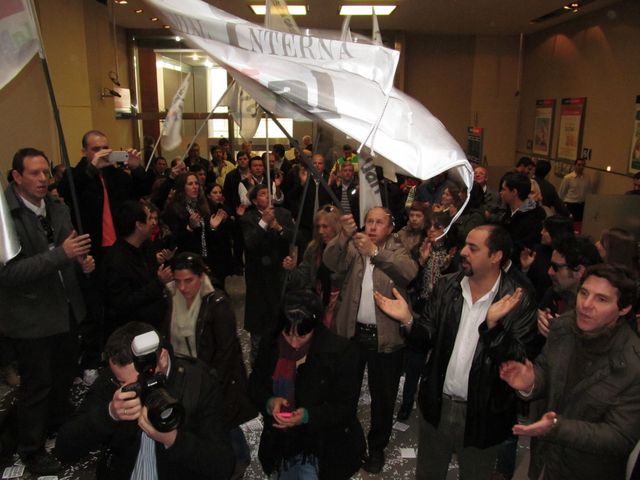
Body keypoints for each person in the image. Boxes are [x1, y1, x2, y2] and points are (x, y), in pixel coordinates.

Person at [373, 225, 538, 480]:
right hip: (437, 406)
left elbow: (517, 360)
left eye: (473, 248)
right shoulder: (447, 286)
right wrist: (408, 320)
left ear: (496, 256)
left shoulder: (517, 298)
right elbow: (425, 339)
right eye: (464, 245)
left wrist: (493, 327)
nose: (463, 252)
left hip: (483, 413)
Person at [0, 148, 95, 474]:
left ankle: (55, 424)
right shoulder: (6, 216)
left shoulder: (56, 207)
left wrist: (81, 262)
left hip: (65, 308)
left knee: (63, 375)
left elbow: (69, 251)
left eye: (46, 172)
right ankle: (31, 449)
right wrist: (61, 255)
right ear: (17, 177)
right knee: (37, 385)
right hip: (30, 318)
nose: (43, 179)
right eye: (34, 173)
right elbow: (9, 273)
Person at [500, 264, 640, 480]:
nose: (586, 305)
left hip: (588, 470)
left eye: (601, 299)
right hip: (544, 460)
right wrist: (530, 382)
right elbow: (546, 371)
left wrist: (557, 427)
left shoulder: (632, 364)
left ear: (624, 309)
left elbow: (619, 437)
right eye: (584, 293)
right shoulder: (564, 327)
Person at [55, 322, 235, 480]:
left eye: (137, 383)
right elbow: (65, 448)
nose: (130, 389)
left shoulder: (198, 382)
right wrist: (109, 414)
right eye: (123, 383)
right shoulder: (113, 380)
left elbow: (223, 466)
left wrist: (173, 440)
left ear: (162, 359)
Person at [323, 207, 418, 474]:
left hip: (385, 337)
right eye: (369, 221)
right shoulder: (355, 246)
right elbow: (331, 261)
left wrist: (375, 253)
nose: (373, 226)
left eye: (379, 222)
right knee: (345, 391)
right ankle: (346, 440)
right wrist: (343, 236)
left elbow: (409, 272)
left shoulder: (398, 249)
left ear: (390, 228)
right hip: (352, 333)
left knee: (383, 398)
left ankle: (377, 447)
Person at [248, 290, 365, 480]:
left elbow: (345, 407)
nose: (294, 343)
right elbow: (255, 385)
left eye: (302, 336)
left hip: (322, 446)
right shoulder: (271, 344)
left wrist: (307, 415)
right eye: (288, 334)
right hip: (282, 445)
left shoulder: (341, 352)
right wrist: (269, 402)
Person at [166, 253, 256, 478]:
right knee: (213, 424)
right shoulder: (171, 298)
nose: (183, 287)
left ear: (201, 276)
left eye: (188, 280)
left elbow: (227, 351)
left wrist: (212, 383)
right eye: (178, 281)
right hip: (186, 373)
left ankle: (238, 461)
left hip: (214, 377)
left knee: (222, 423)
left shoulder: (217, 303)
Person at [58, 130, 145, 260]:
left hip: (119, 243)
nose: (102, 153)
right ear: (84, 152)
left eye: (105, 148)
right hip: (90, 245)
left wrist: (136, 169)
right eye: (96, 149)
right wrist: (92, 168)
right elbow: (65, 190)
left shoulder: (118, 176)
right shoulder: (75, 174)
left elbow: (141, 192)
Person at [241, 184, 295, 362]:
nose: (268, 197)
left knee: (280, 321)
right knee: (259, 326)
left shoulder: (284, 214)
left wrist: (278, 227)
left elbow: (294, 237)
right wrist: (264, 222)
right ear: (255, 200)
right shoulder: (248, 218)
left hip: (279, 275)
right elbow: (250, 243)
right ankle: (258, 362)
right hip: (259, 278)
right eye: (262, 194)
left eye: (268, 193)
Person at [102, 201, 172, 337]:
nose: (154, 223)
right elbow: (123, 304)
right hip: (134, 332)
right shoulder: (117, 260)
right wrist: (158, 283)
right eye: (149, 218)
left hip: (156, 323)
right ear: (139, 225)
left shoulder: (146, 246)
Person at [282, 205, 343, 328]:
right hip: (319, 307)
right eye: (318, 227)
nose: (320, 231)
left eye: (325, 227)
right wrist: (292, 269)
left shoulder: (348, 250)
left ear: (336, 227)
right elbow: (302, 279)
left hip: (342, 309)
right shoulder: (314, 249)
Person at [499, 172, 545, 267]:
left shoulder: (532, 218)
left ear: (514, 192)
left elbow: (523, 248)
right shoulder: (507, 212)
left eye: (503, 189)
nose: (501, 192)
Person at [558, 157, 591, 223]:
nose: (581, 167)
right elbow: (561, 193)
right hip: (571, 204)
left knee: (579, 223)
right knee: (569, 222)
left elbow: (588, 192)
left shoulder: (587, 177)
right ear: (575, 165)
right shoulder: (568, 178)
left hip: (581, 205)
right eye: (579, 165)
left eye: (583, 165)